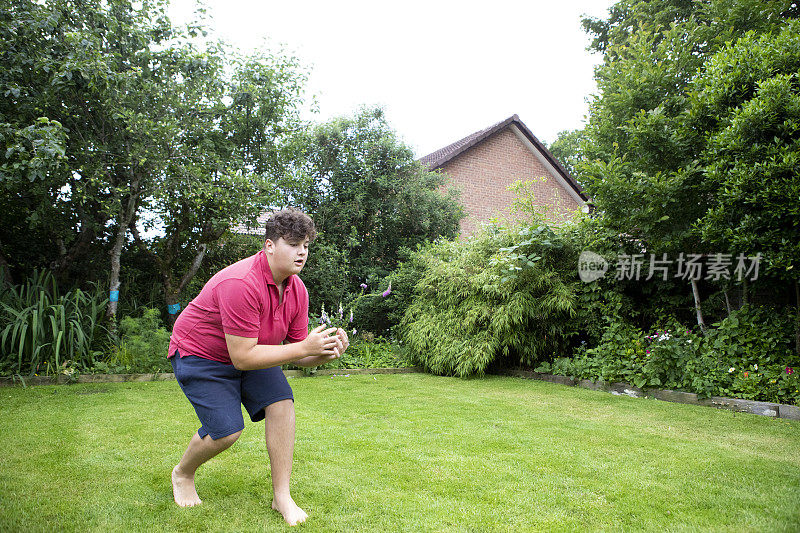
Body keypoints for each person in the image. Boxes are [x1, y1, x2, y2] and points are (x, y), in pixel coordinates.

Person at [168, 208, 348, 526]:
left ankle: (282, 497)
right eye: (293, 244)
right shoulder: (241, 283)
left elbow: (297, 354)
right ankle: (183, 473)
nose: (302, 252)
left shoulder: (297, 290)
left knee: (282, 404)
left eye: (306, 245)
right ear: (268, 246)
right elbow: (242, 358)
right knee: (226, 432)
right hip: (201, 355)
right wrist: (303, 347)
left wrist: (323, 352)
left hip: (250, 352)